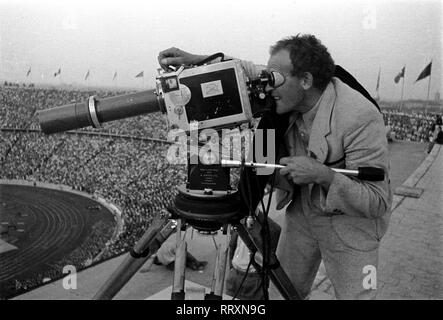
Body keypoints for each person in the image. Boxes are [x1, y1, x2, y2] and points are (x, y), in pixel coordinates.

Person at [158, 34, 392, 300]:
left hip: (352, 222)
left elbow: (378, 202)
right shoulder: (289, 90)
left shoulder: (359, 116)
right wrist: (200, 61)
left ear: (305, 80)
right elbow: (248, 71)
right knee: (282, 292)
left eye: (274, 78)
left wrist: (324, 176)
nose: (266, 85)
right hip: (304, 212)